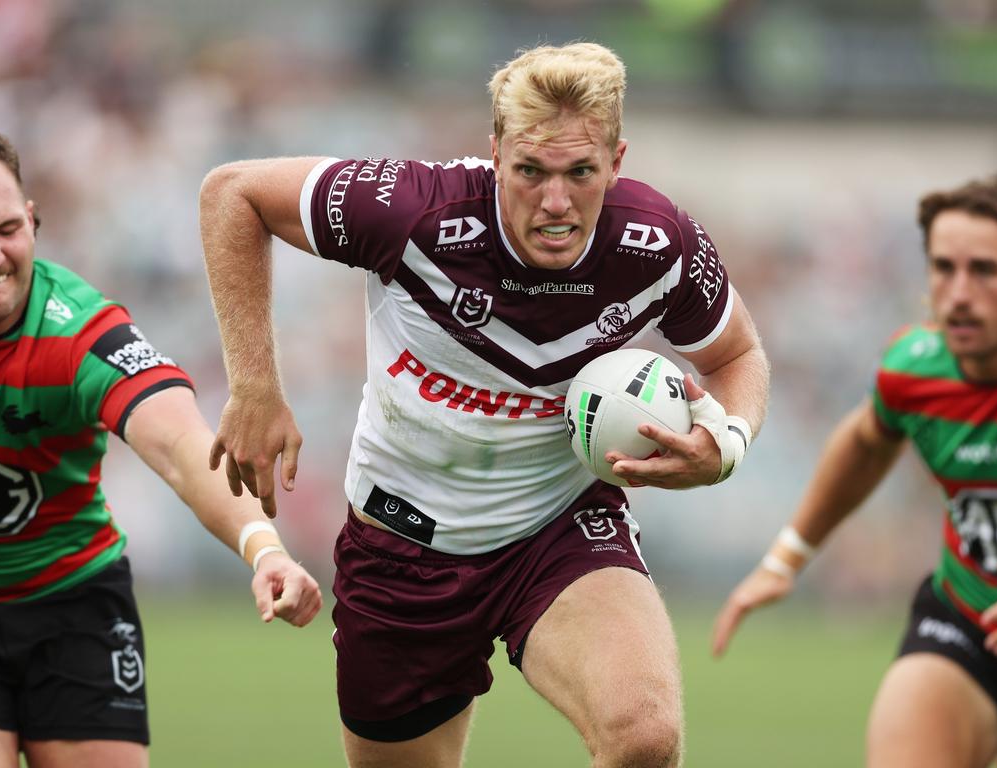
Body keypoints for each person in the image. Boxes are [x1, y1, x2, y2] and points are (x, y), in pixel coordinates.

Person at [200, 42, 769, 768]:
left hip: (559, 530)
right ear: (495, 152)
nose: (555, 202)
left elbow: (739, 357)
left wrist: (727, 445)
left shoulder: (658, 243)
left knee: (644, 737)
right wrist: (254, 387)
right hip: (402, 546)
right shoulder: (413, 209)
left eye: (580, 173)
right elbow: (231, 193)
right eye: (531, 171)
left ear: (616, 161)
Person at [0, 125, 322, 768]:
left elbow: (185, 450)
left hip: (71, 601)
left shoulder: (80, 332)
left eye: (5, 230)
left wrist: (263, 549)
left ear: (32, 218)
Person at [712, 175, 997, 768]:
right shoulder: (917, 369)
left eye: (986, 270)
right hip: (965, 617)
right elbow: (867, 441)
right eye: (944, 268)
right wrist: (786, 558)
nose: (959, 293)